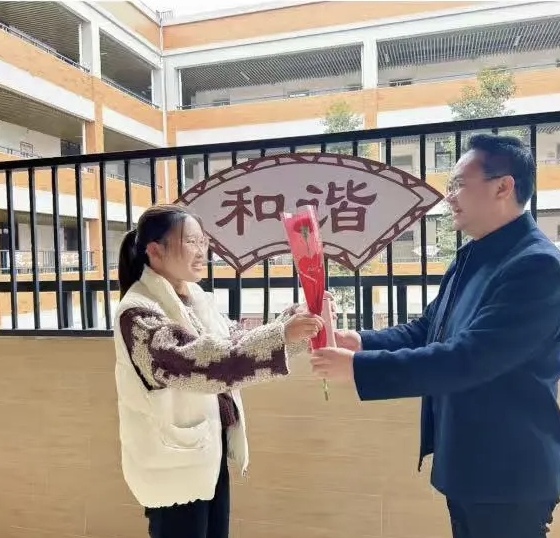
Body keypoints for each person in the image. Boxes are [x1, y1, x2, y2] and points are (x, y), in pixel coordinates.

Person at [311, 134, 560, 537]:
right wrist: (360, 341)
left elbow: (468, 358)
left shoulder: (537, 267)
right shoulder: (474, 256)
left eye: (459, 184)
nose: (450, 197)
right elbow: (428, 330)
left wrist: (358, 369)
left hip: (509, 472)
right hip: (469, 463)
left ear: (503, 186)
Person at [113, 203, 325, 538]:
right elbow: (199, 361)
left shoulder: (197, 299)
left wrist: (292, 323)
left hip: (206, 453)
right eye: (191, 242)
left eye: (204, 242)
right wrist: (282, 335)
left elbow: (235, 339)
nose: (202, 252)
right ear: (155, 251)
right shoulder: (138, 311)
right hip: (171, 463)